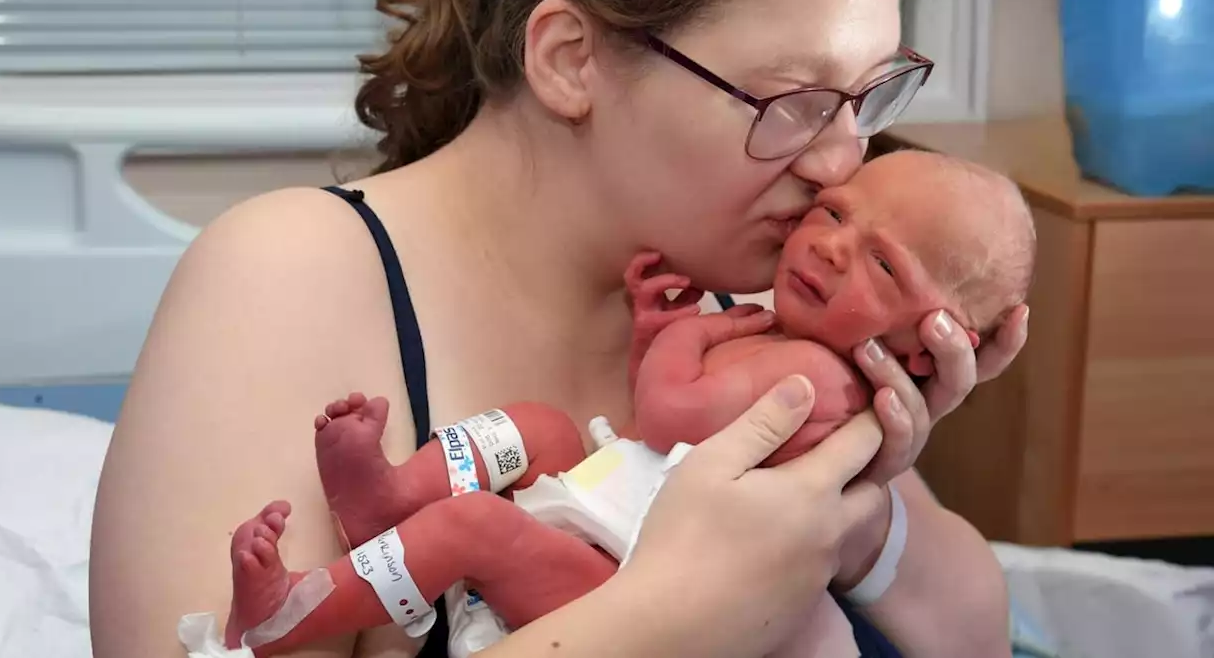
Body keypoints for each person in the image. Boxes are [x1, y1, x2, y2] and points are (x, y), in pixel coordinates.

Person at [88, 0, 1030, 656]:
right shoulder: (287, 279)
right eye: (795, 102)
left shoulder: (761, 283)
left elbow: (974, 628)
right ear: (570, 60)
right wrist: (671, 614)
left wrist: (856, 499)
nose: (841, 163)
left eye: (868, 97)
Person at [200, 149, 1035, 658]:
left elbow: (671, 417)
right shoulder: (783, 332)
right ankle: (389, 496)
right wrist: (666, 328)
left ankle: (293, 610)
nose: (826, 238)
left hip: (617, 574)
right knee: (542, 428)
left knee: (477, 529)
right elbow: (664, 430)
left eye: (883, 266)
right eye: (834, 212)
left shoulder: (823, 380)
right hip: (617, 518)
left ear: (927, 344)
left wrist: (677, 341)